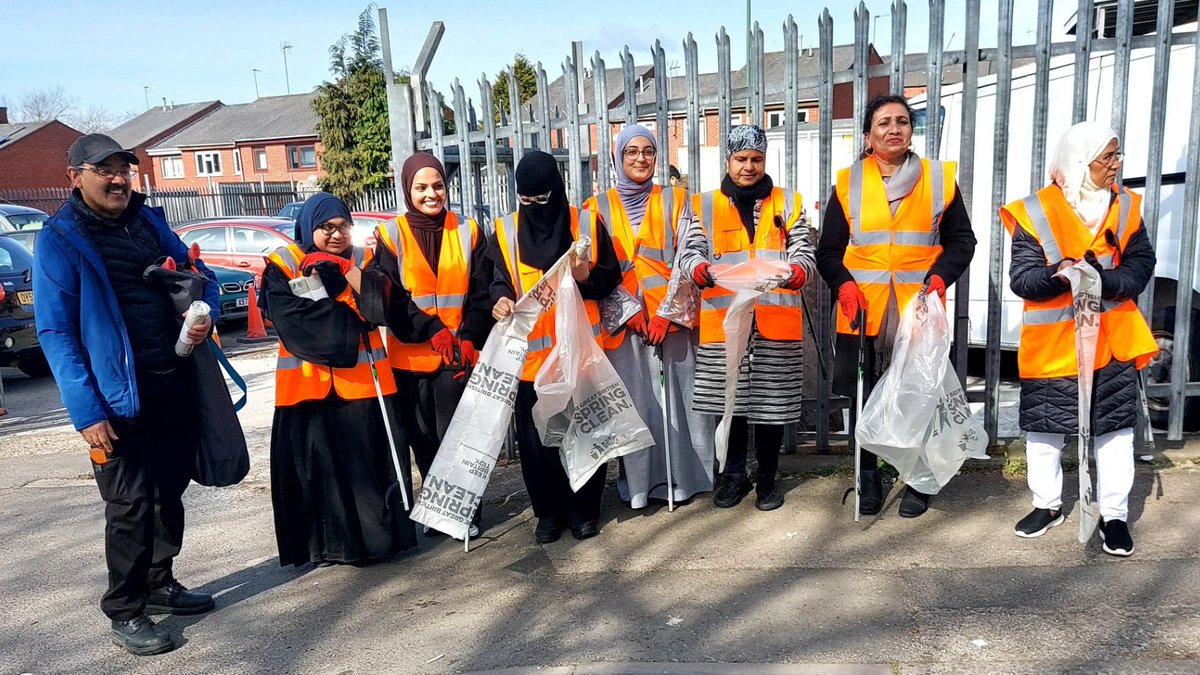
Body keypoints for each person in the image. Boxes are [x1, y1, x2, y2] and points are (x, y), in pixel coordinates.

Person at [34, 134, 219, 656]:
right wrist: (86, 411)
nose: (118, 179)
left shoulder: (148, 219)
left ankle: (160, 582)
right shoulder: (60, 238)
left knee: (169, 491)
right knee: (130, 506)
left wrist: (194, 301)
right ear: (75, 176)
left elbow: (194, 272)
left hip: (172, 379)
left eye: (124, 169)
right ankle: (125, 608)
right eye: (104, 170)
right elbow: (55, 331)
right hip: (116, 401)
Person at [1001, 122, 1157, 556]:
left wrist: (1107, 281)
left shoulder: (1125, 206)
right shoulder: (1036, 210)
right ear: (1080, 159)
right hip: (1055, 344)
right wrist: (1058, 276)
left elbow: (1142, 262)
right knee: (1045, 432)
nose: (1115, 164)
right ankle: (1046, 505)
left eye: (1117, 154)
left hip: (1112, 340)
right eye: (1107, 156)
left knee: (1113, 432)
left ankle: (1114, 516)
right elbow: (1022, 278)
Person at [816, 95, 976, 518]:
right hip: (862, 310)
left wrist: (940, 277)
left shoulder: (938, 179)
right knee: (865, 396)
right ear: (868, 135)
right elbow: (828, 250)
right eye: (884, 122)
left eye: (902, 121)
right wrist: (844, 285)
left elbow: (963, 241)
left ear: (911, 130)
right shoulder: (848, 182)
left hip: (918, 309)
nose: (894, 129)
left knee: (921, 396)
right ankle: (867, 476)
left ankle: (920, 482)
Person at [261, 193, 417, 568]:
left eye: (343, 227)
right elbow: (294, 322)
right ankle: (325, 548)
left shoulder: (363, 260)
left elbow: (382, 309)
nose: (336, 235)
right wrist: (352, 314)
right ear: (309, 227)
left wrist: (346, 276)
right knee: (319, 474)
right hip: (308, 389)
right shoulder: (283, 264)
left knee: (366, 472)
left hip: (365, 385)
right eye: (326, 228)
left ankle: (375, 545)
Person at [676, 124, 816, 512]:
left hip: (775, 320)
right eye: (741, 159)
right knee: (731, 403)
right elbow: (690, 251)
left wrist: (799, 271)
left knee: (771, 406)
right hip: (725, 323)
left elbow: (803, 250)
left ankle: (768, 479)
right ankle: (733, 476)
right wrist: (699, 269)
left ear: (765, 160)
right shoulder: (703, 204)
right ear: (728, 161)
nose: (749, 167)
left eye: (756, 159)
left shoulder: (788, 202)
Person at [487, 151, 621, 543]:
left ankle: (583, 512)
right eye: (525, 200)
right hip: (530, 361)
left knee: (584, 432)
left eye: (541, 199)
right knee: (537, 444)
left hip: (578, 356)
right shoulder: (506, 230)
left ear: (557, 191)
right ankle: (547, 515)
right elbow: (494, 279)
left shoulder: (586, 222)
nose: (534, 209)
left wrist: (585, 274)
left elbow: (609, 281)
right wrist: (499, 298)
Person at [583, 125, 714, 509]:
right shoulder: (596, 208)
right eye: (631, 153)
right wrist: (628, 311)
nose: (641, 159)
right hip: (625, 325)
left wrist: (667, 313)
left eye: (648, 152)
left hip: (671, 322)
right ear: (617, 158)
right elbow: (593, 269)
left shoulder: (678, 199)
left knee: (680, 401)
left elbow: (693, 251)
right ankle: (639, 486)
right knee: (637, 405)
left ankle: (686, 481)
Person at [364, 153, 492, 537]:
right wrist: (429, 327)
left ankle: (466, 510)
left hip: (456, 355)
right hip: (410, 354)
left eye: (437, 185)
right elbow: (391, 296)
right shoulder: (391, 235)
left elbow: (481, 291)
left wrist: (470, 336)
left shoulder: (468, 231)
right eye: (421, 187)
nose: (431, 194)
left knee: (458, 435)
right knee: (423, 438)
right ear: (407, 190)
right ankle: (439, 509)